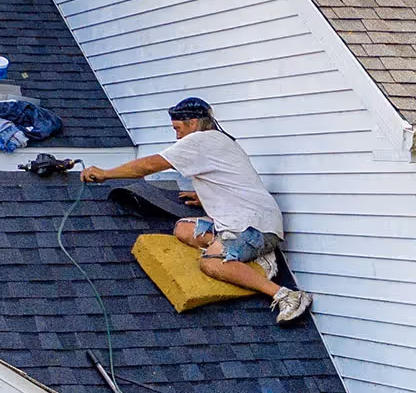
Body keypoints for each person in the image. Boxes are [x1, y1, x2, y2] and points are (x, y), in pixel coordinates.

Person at [81, 98, 312, 324]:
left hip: (253, 226)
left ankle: (285, 294)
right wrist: (204, 197)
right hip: (241, 220)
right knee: (184, 229)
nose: (177, 136)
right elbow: (232, 180)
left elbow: (150, 165)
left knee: (210, 263)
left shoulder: (201, 140)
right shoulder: (217, 141)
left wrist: (106, 173)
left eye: (178, 128)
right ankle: (253, 255)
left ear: (192, 123)